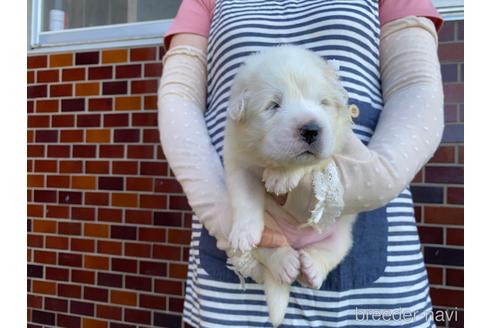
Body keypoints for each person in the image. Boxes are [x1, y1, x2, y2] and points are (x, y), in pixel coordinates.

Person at [158, 0, 444, 326]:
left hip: (367, 258)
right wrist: (221, 211)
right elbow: (178, 97)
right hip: (237, 258)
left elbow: (416, 85)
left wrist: (373, 182)